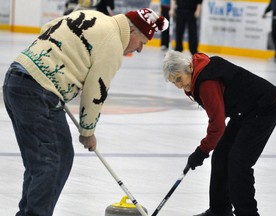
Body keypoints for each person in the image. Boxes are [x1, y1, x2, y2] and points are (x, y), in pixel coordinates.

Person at [2, 8, 168, 216]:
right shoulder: (113, 43)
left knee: (42, 160)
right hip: (38, 92)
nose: (140, 49)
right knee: (54, 160)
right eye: (142, 42)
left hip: (16, 80)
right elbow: (95, 91)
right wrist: (87, 132)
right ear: (132, 32)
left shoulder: (95, 16)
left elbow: (48, 29)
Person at [163, 50, 276, 216]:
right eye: (173, 82)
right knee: (221, 155)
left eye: (179, 79)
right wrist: (205, 150)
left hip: (263, 107)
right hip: (244, 110)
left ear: (189, 67)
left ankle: (247, 213)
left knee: (238, 162)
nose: (178, 86)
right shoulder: (197, 74)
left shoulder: (206, 83)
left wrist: (201, 152)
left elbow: (218, 125)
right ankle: (220, 210)